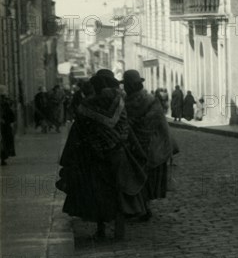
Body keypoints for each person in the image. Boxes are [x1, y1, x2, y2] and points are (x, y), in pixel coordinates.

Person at [56, 69, 147, 240]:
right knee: (119, 191)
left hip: (94, 156)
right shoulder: (119, 101)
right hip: (118, 154)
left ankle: (101, 230)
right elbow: (125, 128)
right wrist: (135, 148)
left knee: (98, 193)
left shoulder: (85, 106)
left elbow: (79, 133)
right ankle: (120, 230)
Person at [121, 70, 173, 221]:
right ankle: (141, 207)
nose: (125, 88)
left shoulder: (149, 100)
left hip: (151, 146)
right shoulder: (128, 101)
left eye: (127, 85)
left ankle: (143, 208)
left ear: (133, 86)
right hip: (137, 146)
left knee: (144, 178)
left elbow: (152, 123)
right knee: (139, 177)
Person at [0, 86, 16, 166]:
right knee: (4, 142)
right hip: (4, 126)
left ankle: (3, 158)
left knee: (4, 142)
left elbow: (11, 115)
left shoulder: (6, 103)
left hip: (5, 126)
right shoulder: (5, 104)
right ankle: (3, 158)